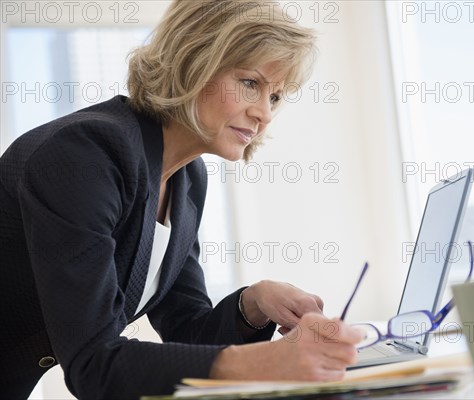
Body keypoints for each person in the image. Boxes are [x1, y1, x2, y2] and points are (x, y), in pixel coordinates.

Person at [0, 1, 363, 399]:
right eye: (250, 83)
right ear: (194, 60)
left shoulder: (187, 178)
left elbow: (189, 330)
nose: (264, 113)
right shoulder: (86, 155)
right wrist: (269, 361)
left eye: (275, 97)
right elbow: (94, 364)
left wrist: (254, 302)